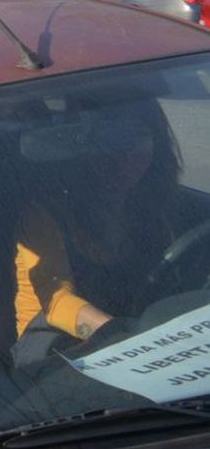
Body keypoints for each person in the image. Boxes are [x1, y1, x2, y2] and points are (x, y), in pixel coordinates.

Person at [13, 108, 180, 364]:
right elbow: (57, 301)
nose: (123, 156)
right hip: (57, 360)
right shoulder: (44, 214)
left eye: (136, 138)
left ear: (156, 142)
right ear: (79, 148)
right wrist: (135, 342)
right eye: (106, 142)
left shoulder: (152, 206)